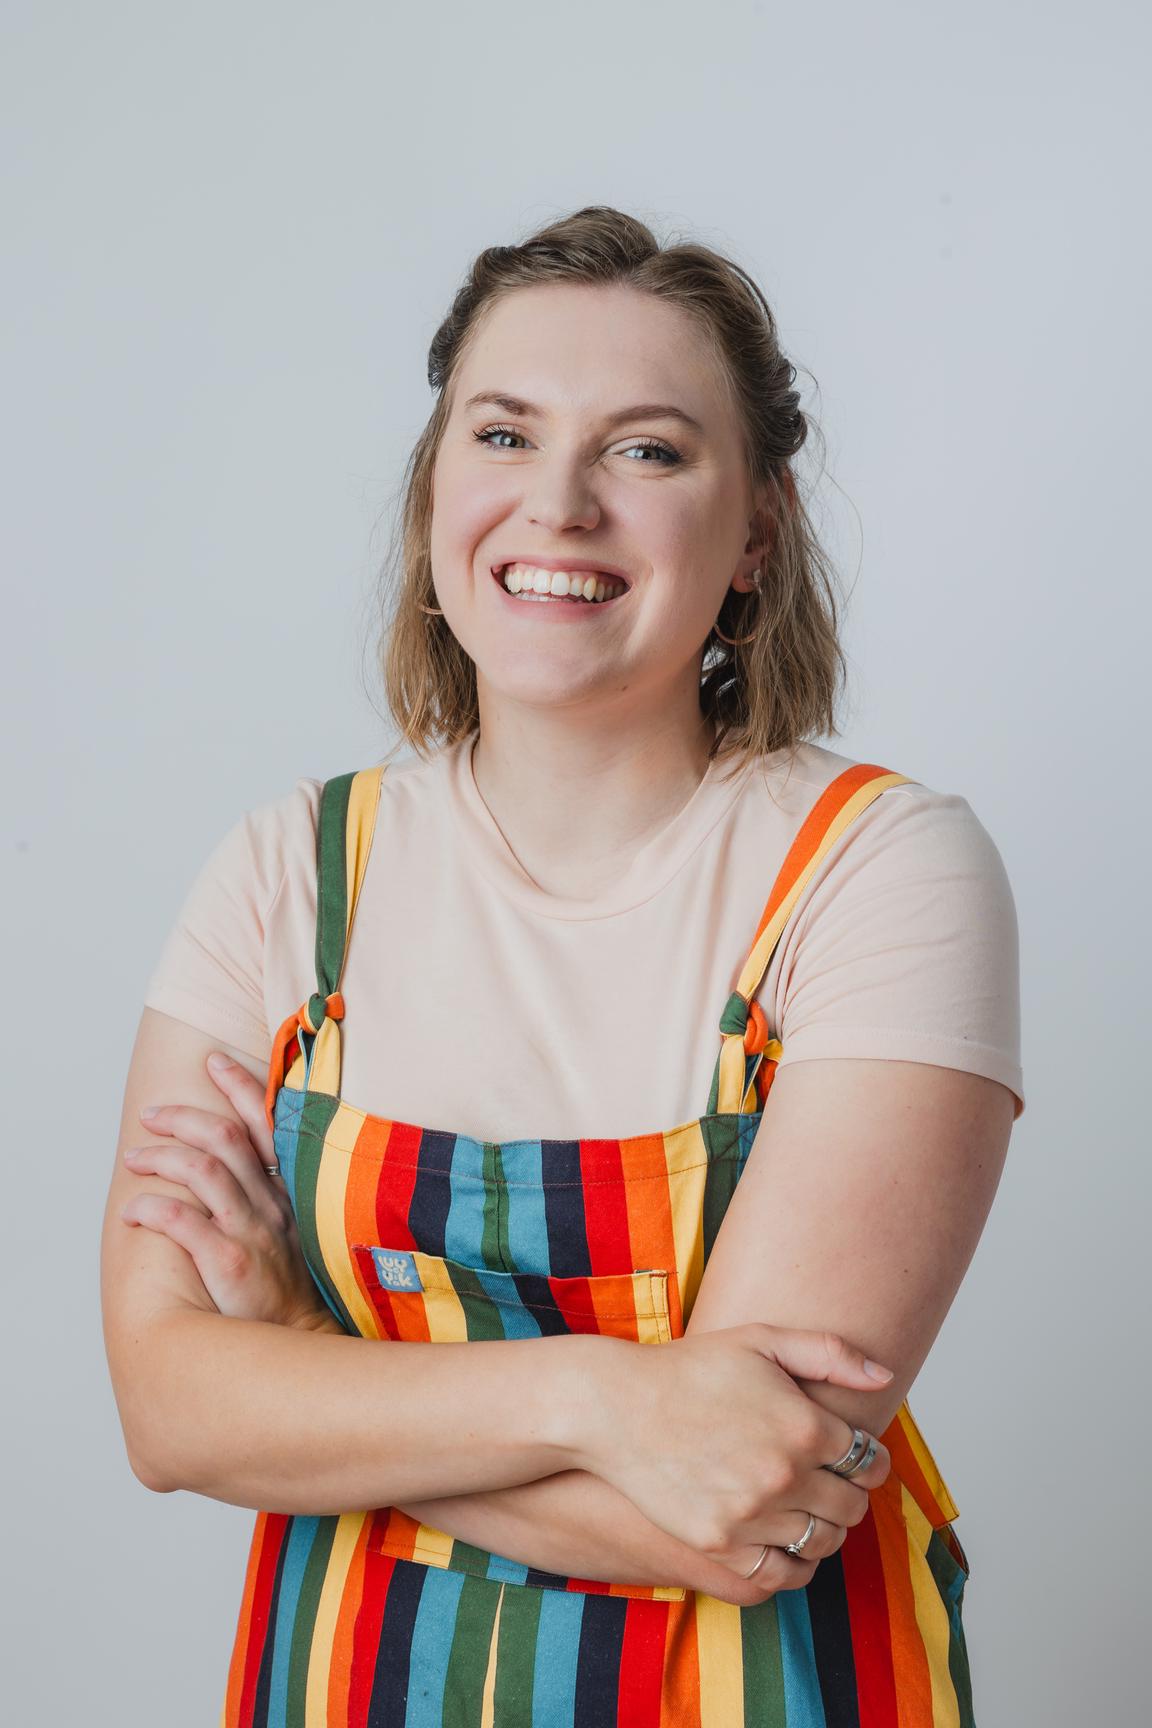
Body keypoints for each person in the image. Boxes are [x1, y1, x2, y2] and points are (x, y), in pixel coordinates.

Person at [101, 205, 1023, 1726]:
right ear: (430, 499)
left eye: (648, 451)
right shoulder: (283, 879)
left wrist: (289, 1367)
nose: (561, 504)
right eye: (504, 435)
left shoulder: (878, 871)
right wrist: (607, 1400)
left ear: (759, 534)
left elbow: (749, 1514)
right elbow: (164, 1414)